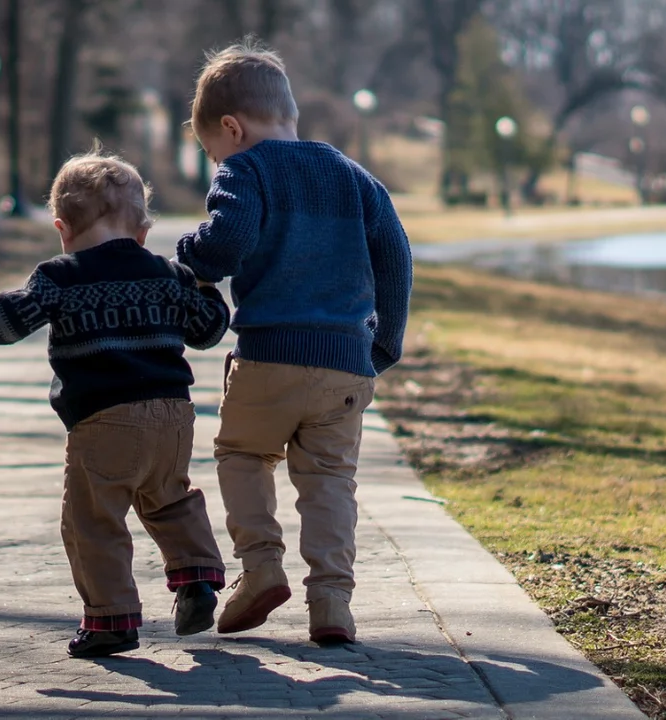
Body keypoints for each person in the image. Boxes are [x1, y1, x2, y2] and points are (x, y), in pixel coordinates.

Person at [0, 150, 230, 658]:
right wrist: (206, 285)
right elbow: (207, 330)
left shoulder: (60, 276)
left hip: (104, 419)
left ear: (62, 228)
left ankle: (111, 619)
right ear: (142, 230)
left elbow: (8, 319)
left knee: (92, 519)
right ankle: (196, 579)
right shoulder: (166, 274)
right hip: (173, 416)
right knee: (170, 498)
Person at [176, 39, 413, 644]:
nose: (216, 160)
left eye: (212, 150)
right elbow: (396, 257)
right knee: (331, 479)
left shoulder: (245, 169)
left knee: (242, 454)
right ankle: (332, 602)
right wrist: (384, 343)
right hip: (345, 366)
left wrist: (189, 255)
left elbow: (225, 243)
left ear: (232, 128)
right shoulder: (353, 176)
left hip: (269, 357)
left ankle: (260, 568)